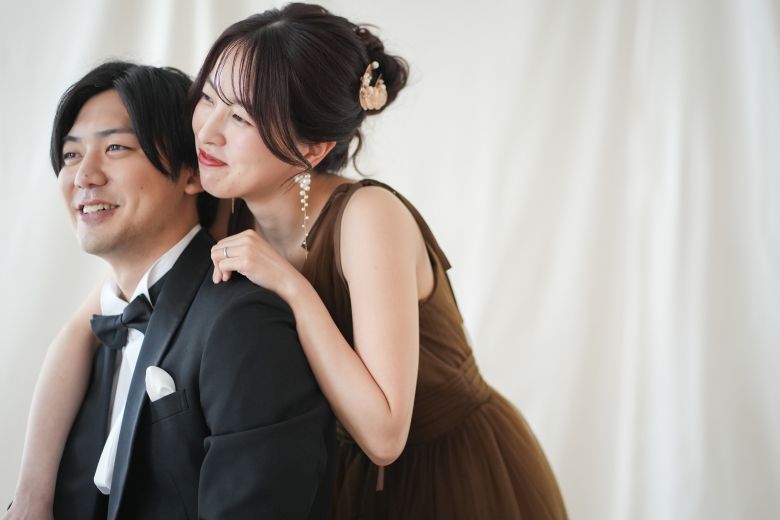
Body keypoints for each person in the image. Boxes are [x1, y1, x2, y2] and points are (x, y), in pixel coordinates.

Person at [7, 4, 567, 519]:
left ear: (311, 148)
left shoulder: (367, 216)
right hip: (324, 463)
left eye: (241, 117)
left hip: (440, 469)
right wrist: (32, 496)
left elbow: (385, 435)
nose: (207, 131)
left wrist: (293, 288)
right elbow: (87, 329)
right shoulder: (227, 204)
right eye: (209, 98)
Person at [6, 61, 334, 519]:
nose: (84, 177)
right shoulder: (92, 339)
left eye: (116, 147)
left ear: (192, 173)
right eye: (71, 155)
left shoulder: (243, 323)